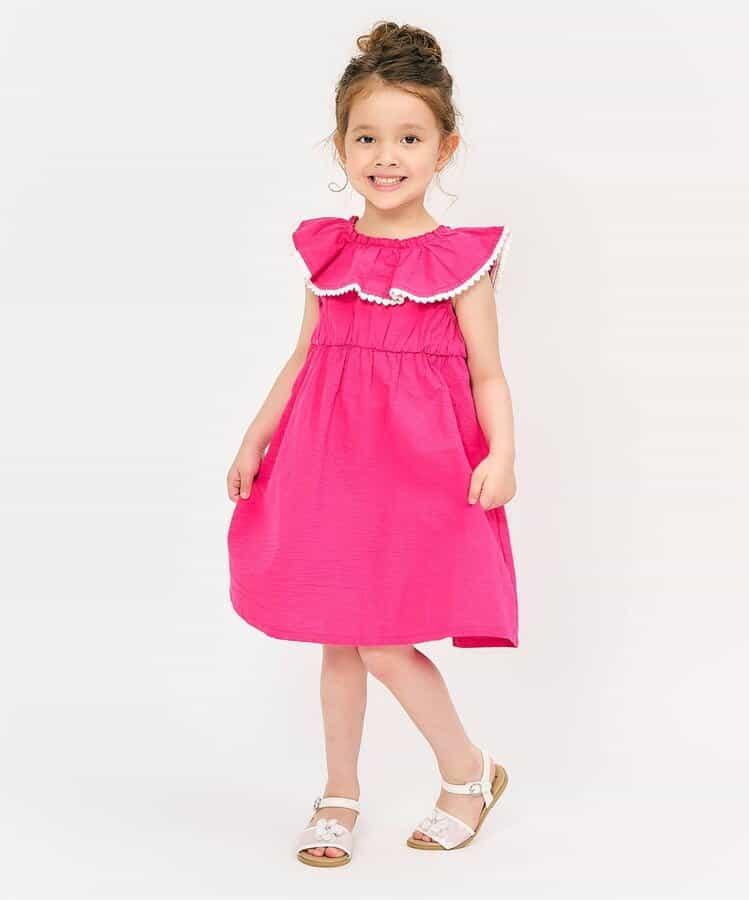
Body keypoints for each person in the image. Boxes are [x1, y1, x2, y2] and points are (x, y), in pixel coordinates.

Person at [226, 20, 518, 867]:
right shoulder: (328, 252)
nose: (387, 156)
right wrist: (256, 437)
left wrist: (502, 453)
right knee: (337, 633)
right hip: (326, 464)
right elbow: (305, 355)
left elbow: (488, 373)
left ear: (445, 148)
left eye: (410, 138)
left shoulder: (461, 262)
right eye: (367, 137)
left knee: (386, 641)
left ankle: (468, 772)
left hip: (415, 472)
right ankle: (339, 793)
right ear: (341, 145)